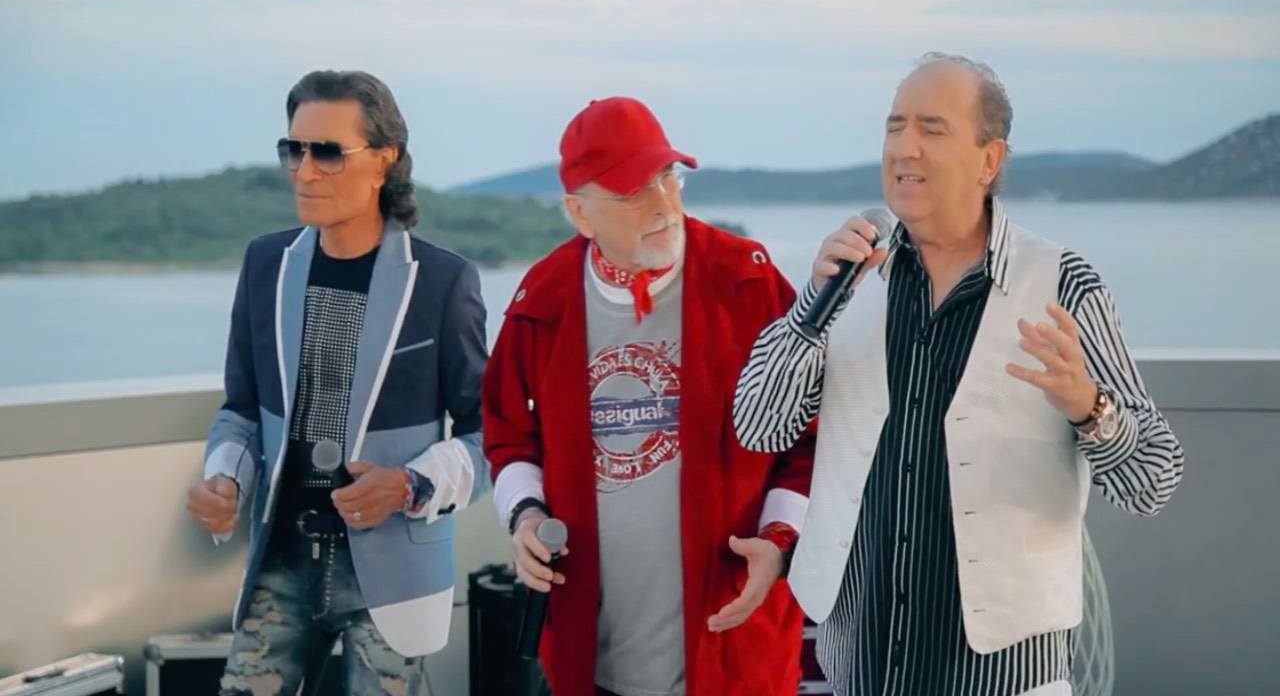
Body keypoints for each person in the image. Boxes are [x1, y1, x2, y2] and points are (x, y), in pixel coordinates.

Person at [733, 53, 1185, 696]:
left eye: (932, 128)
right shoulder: (850, 279)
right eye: (894, 127)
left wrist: (1090, 406)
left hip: (1005, 678)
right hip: (860, 671)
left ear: (988, 160)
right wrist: (812, 307)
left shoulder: (1063, 284)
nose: (904, 146)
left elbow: (1153, 481)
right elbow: (758, 427)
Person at [483, 96, 816, 696]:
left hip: (735, 652)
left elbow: (812, 436)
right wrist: (525, 515)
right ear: (580, 213)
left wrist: (779, 541)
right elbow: (508, 435)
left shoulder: (748, 280)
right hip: (593, 660)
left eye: (668, 176)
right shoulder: (543, 298)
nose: (663, 202)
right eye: (633, 190)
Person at [186, 70, 489, 695]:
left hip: (394, 575)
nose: (304, 171)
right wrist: (224, 479)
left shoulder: (442, 281)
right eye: (293, 150)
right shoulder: (265, 264)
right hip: (282, 560)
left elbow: (490, 434)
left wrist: (409, 484)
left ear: (384, 160)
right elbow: (242, 410)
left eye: (326, 152)